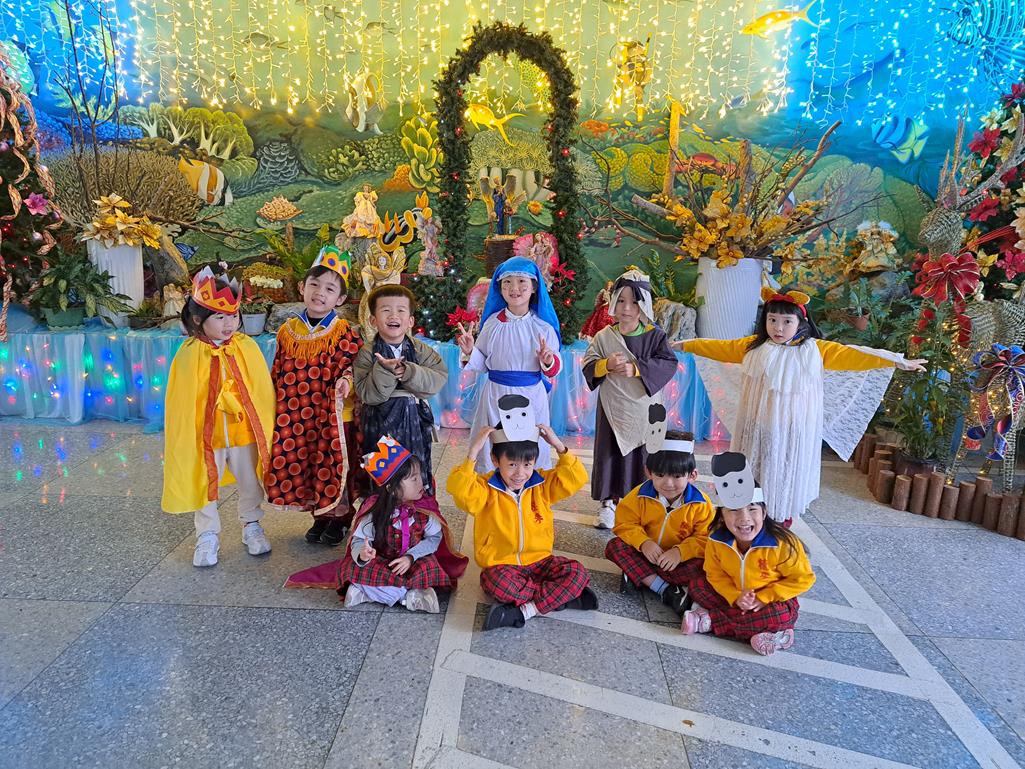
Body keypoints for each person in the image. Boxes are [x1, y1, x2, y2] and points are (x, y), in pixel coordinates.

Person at [675, 287, 926, 525]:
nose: (778, 328)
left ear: (801, 323)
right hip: (756, 426)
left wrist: (896, 361)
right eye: (772, 320)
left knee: (784, 474)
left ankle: (780, 517)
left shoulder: (814, 350)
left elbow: (855, 355)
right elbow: (718, 347)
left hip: (792, 431)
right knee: (753, 469)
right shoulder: (754, 347)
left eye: (787, 321)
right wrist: (686, 344)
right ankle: (749, 514)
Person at [162, 266, 275, 567]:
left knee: (250, 480)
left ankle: (251, 524)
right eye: (220, 317)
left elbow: (260, 391)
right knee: (204, 482)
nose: (229, 324)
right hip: (206, 436)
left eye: (233, 316)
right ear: (198, 319)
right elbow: (182, 402)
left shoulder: (246, 347)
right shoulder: (189, 354)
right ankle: (207, 533)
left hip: (242, 433)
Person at [447, 423, 597, 631]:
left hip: (541, 562)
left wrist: (559, 447)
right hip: (503, 567)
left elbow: (577, 477)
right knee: (496, 583)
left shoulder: (542, 484)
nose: (520, 473)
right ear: (495, 460)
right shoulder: (484, 489)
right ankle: (560, 597)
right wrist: (472, 453)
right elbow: (459, 489)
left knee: (577, 572)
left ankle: (524, 611)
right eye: (511, 465)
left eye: (527, 464)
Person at [264, 246, 364, 546]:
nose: (320, 293)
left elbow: (356, 367)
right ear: (302, 287)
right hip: (297, 415)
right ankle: (320, 516)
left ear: (340, 299)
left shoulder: (344, 332)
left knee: (333, 465)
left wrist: (347, 381)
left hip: (334, 415)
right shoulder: (287, 331)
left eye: (330, 289)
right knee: (308, 464)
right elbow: (277, 370)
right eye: (315, 284)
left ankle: (340, 518)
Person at [681, 452, 815, 656]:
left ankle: (710, 621)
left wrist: (762, 597)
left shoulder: (783, 544)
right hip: (734, 594)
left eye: (752, 509)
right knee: (697, 586)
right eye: (734, 510)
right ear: (722, 515)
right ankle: (766, 632)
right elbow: (714, 574)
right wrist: (736, 597)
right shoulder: (716, 540)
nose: (744, 518)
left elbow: (803, 579)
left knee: (780, 615)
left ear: (764, 512)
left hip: (770, 601)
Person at [582, 270, 679, 528]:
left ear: (644, 305)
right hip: (612, 408)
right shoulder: (604, 336)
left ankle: (640, 504)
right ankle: (608, 503)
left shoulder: (654, 336)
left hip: (644, 409)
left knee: (642, 456)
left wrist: (636, 369)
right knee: (609, 453)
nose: (626, 308)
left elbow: (668, 362)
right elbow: (588, 364)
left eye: (634, 302)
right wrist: (606, 365)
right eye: (621, 300)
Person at [455, 256, 562, 473]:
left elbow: (555, 367)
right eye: (507, 282)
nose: (514, 288)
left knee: (528, 448)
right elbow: (482, 363)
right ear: (500, 288)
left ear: (534, 287)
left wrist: (548, 360)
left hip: (531, 397)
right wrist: (470, 351)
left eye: (522, 281)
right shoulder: (492, 324)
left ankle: (530, 488)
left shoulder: (543, 327)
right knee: (495, 446)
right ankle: (493, 489)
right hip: (495, 395)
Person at [339, 436, 467, 612]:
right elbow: (359, 540)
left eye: (419, 476)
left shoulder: (423, 510)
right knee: (352, 568)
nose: (421, 482)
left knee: (430, 567)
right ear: (391, 488)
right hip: (383, 562)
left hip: (413, 562)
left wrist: (411, 556)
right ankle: (406, 597)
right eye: (413, 479)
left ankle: (369, 592)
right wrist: (362, 554)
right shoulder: (375, 513)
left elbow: (434, 538)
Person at [604, 431, 713, 615]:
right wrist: (643, 543)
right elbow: (624, 524)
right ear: (649, 472)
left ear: (692, 475)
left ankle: (641, 576)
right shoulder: (639, 496)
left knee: (706, 566)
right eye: (660, 475)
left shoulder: (701, 504)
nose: (668, 483)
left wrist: (680, 552)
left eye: (677, 476)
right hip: (645, 555)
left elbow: (705, 538)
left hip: (677, 562)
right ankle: (666, 590)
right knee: (614, 546)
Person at [354, 284, 447, 493]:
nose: (393, 316)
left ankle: (416, 511)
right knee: (383, 475)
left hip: (414, 420)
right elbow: (368, 394)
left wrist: (408, 372)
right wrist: (384, 370)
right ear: (373, 320)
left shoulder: (421, 350)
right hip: (379, 421)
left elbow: (438, 378)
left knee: (415, 469)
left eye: (401, 310)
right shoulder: (367, 353)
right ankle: (382, 509)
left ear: (411, 321)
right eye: (386, 310)